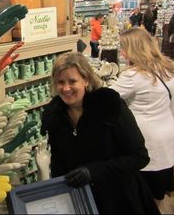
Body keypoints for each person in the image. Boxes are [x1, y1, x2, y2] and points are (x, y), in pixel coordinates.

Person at [41, 52, 160, 214]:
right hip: (80, 200)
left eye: (72, 81)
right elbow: (59, 163)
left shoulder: (109, 107)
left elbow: (139, 157)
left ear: (86, 80)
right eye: (60, 82)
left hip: (119, 198)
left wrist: (93, 171)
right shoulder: (54, 115)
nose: (66, 88)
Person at [110, 28, 174, 207]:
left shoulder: (133, 76)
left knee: (141, 196)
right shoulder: (169, 68)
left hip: (146, 142)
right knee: (158, 194)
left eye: (123, 48)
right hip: (168, 138)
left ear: (133, 49)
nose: (122, 53)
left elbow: (107, 98)